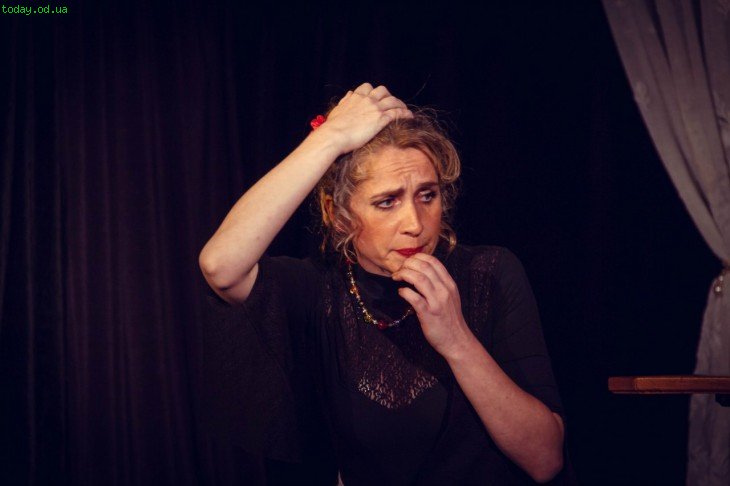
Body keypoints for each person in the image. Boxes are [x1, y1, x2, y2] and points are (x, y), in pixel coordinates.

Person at [199, 83, 566, 485]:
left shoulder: (489, 273)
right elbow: (220, 266)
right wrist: (331, 137)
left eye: (427, 195)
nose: (415, 223)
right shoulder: (320, 289)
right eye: (387, 202)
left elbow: (544, 459)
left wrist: (457, 340)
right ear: (337, 215)